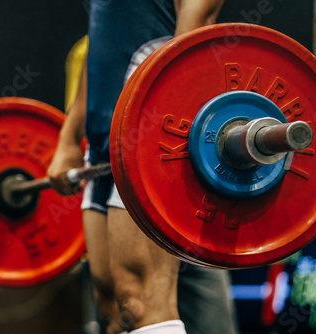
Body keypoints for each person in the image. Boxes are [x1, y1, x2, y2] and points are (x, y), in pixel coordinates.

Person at [48, 1, 236, 333]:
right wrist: (68, 138)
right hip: (103, 145)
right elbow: (101, 51)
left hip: (150, 138)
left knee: (142, 300)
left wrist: (164, 132)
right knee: (113, 307)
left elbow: (198, 22)